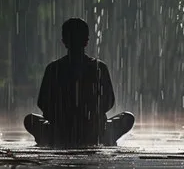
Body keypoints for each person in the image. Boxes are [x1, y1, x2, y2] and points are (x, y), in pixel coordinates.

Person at [24, 17, 134, 147]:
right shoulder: (99, 67)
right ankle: (103, 137)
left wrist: (60, 117)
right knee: (127, 118)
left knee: (30, 119)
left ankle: (52, 137)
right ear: (86, 41)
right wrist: (92, 115)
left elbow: (42, 102)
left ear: (64, 41)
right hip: (93, 130)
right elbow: (109, 102)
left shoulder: (54, 68)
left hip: (61, 131)